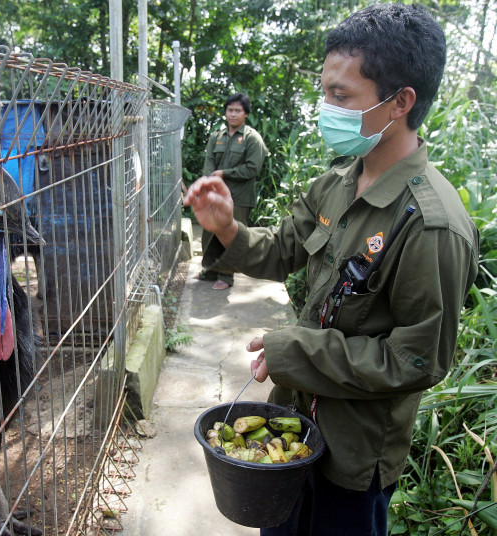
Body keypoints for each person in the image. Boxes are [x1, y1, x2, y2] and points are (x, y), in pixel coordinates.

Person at [184, 4, 479, 536]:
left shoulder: (432, 226)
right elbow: (281, 250)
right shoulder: (337, 182)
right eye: (325, 92)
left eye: (340, 97)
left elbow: (417, 360)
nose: (326, 108)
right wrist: (226, 228)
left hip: (353, 456)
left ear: (400, 103)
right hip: (291, 427)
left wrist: (295, 350)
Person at [196, 92, 268, 290]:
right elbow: (209, 162)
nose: (233, 114)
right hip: (214, 195)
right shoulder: (216, 137)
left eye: (238, 110)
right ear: (225, 112)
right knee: (209, 233)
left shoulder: (252, 139)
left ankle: (226, 277)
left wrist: (223, 173)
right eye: (230, 110)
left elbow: (253, 168)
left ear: (246, 114)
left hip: (239, 197)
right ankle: (210, 270)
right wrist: (209, 180)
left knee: (231, 235)